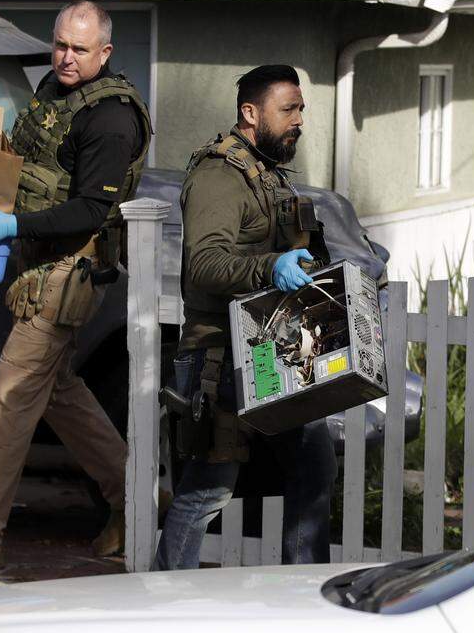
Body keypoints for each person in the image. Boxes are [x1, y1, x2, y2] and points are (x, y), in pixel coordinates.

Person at [0, 0, 153, 578]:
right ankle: (135, 499)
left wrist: (11, 224)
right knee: (58, 392)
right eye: (60, 44)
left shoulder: (110, 117)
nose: (65, 57)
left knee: (10, 400)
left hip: (70, 271)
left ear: (103, 53)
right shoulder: (57, 94)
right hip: (37, 263)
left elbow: (88, 209)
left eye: (79, 49)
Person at [153, 64, 336, 570]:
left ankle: (306, 600)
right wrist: (269, 267)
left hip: (271, 354)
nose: (299, 119)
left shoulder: (267, 171)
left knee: (313, 469)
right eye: (289, 109)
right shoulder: (219, 174)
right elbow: (204, 265)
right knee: (207, 490)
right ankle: (161, 605)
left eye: (301, 108)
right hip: (219, 358)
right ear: (251, 113)